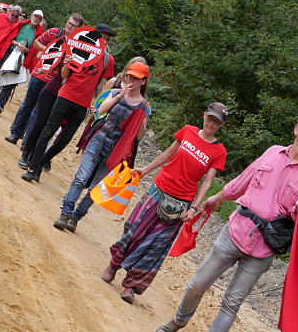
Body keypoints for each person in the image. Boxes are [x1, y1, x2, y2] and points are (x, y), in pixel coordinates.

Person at [153, 111, 298, 332]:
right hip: (236, 230)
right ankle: (177, 322)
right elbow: (243, 181)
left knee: (232, 303)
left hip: (265, 247)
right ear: (296, 129)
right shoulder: (272, 153)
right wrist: (217, 197)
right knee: (197, 284)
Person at [101, 101, 229, 303]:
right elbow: (169, 153)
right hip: (158, 189)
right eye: (210, 118)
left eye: (216, 122)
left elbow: (208, 181)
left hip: (181, 204)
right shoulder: (187, 131)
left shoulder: (219, 151)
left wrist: (194, 207)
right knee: (134, 229)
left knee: (155, 245)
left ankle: (132, 286)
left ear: (221, 125)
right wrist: (145, 169)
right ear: (204, 115)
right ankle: (114, 265)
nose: (211, 123)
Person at [55, 59, 151, 233]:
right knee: (81, 178)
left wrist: (141, 120)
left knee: (96, 188)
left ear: (143, 81)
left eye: (136, 78)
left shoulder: (145, 106)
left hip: (117, 149)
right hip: (99, 139)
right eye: (129, 76)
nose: (131, 81)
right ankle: (65, 213)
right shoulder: (116, 92)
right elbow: (100, 111)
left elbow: (138, 136)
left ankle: (76, 217)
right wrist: (121, 95)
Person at [20, 24, 115, 183]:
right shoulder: (79, 49)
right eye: (101, 37)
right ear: (94, 36)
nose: (103, 41)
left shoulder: (107, 60)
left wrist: (96, 101)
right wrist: (66, 62)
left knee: (64, 140)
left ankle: (42, 162)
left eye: (106, 39)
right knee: (48, 132)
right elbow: (64, 75)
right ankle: (33, 169)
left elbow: (100, 82)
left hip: (82, 104)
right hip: (65, 95)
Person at [4, 13, 84, 146]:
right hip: (39, 74)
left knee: (39, 112)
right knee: (27, 105)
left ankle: (27, 142)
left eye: (73, 26)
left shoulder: (77, 45)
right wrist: (51, 51)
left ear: (79, 29)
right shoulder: (54, 32)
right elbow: (37, 43)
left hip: (54, 81)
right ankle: (15, 133)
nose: (69, 26)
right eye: (69, 23)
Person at [0, 8, 45, 113]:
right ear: (31, 16)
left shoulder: (39, 33)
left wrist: (26, 50)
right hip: (8, 52)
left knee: (11, 81)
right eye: (35, 16)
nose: (36, 19)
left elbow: (35, 50)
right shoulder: (21, 25)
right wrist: (15, 43)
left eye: (39, 18)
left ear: (41, 20)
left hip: (22, 58)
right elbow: (9, 36)